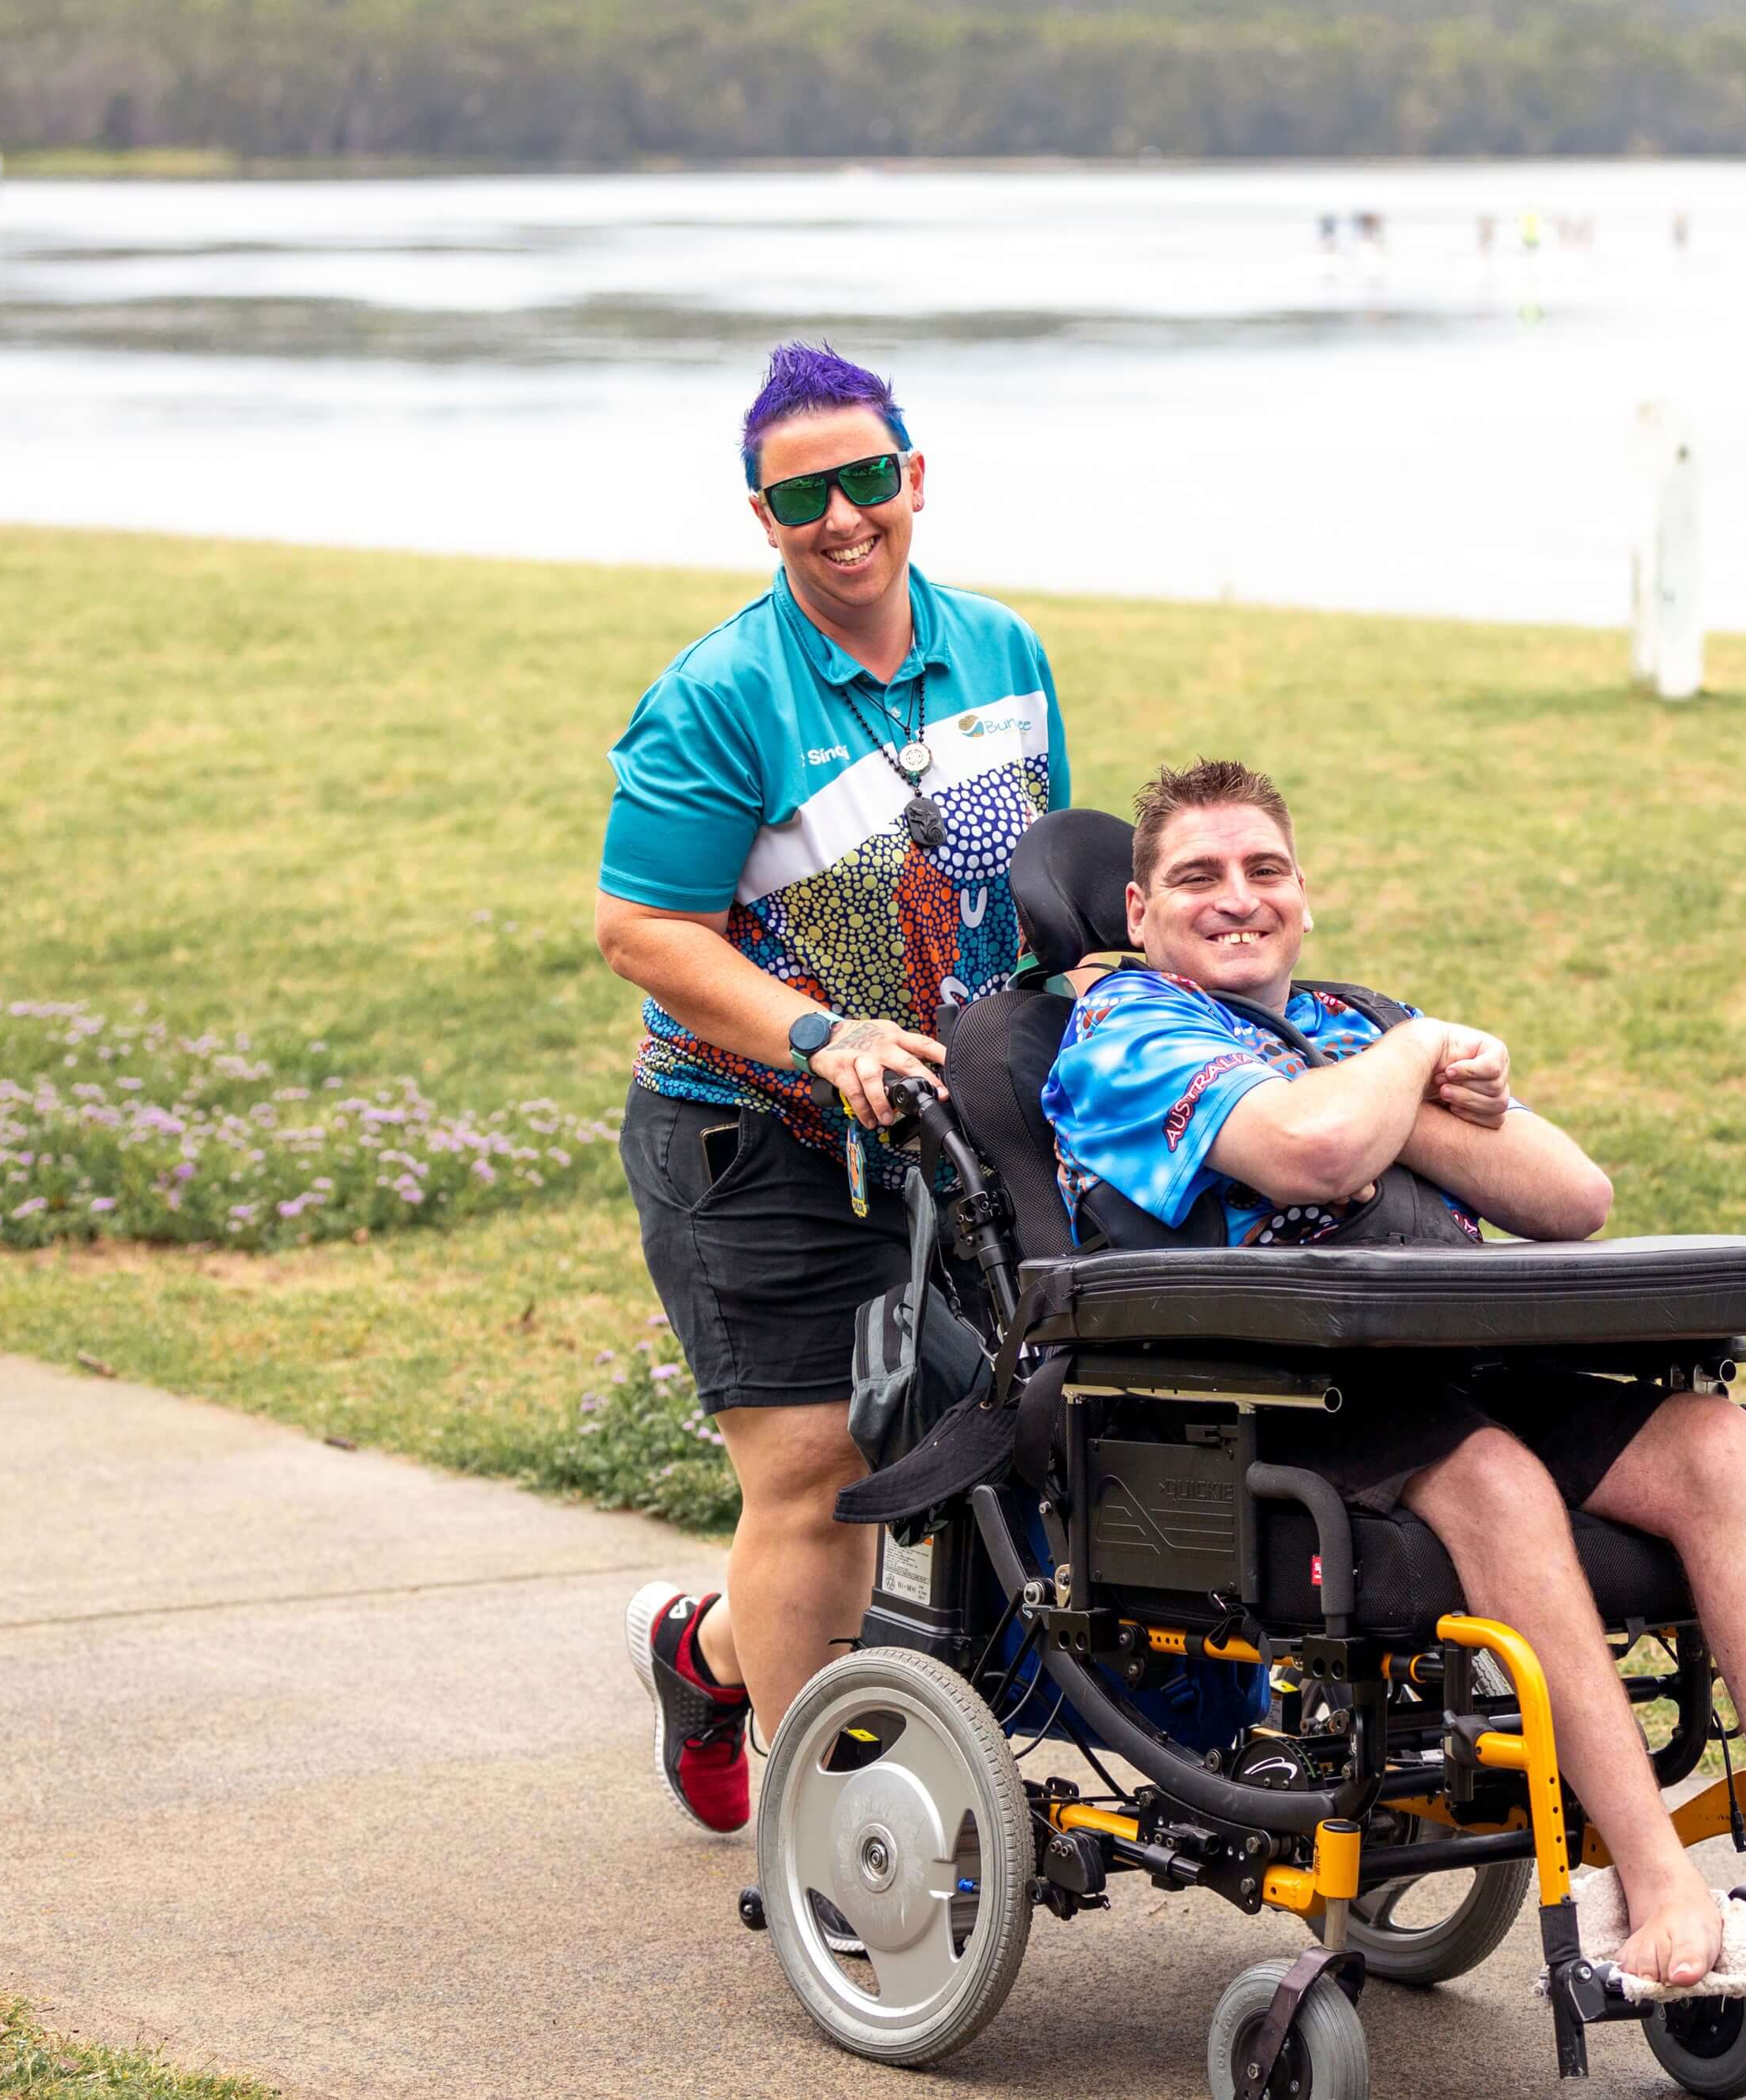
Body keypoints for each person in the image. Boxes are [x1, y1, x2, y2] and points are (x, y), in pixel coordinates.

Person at [1044, 759, 1746, 1990]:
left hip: (1446, 1360)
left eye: (1264, 871)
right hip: (1262, 1398)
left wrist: (1388, 1078)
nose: (1236, 898)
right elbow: (1309, 1149)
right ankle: (1655, 1885)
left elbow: (1571, 1195)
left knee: (1716, 1443)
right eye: (1197, 875)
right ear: (1140, 914)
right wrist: (1415, 1071)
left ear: (1306, 895)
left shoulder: (1352, 1024)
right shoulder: (1127, 1030)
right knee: (1499, 1478)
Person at [600, 343, 1070, 1836]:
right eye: (802, 495)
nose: (843, 516)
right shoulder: (720, 694)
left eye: (868, 479)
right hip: (755, 1132)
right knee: (815, 1472)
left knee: (967, 1435)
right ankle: (837, 1853)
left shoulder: (1001, 649)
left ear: (915, 479)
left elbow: (1043, 878)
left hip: (953, 1133)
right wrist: (822, 1036)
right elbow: (644, 929)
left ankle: (710, 1653)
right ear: (763, 515)